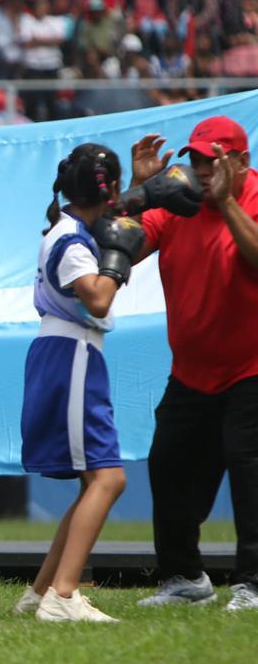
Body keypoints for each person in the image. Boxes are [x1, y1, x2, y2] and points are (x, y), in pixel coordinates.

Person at [131, 117, 258, 612]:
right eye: (197, 159)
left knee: (250, 473)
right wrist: (140, 192)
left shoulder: (246, 198)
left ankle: (252, 583)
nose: (203, 170)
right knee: (169, 466)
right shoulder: (177, 202)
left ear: (241, 162)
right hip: (191, 371)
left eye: (214, 160)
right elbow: (124, 249)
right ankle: (184, 578)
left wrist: (226, 203)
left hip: (251, 367)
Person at [14, 143, 142, 623]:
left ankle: (43, 590)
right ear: (104, 194)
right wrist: (119, 254)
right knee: (109, 478)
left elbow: (111, 241)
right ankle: (64, 597)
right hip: (71, 355)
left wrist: (138, 191)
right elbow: (99, 298)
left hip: (69, 354)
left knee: (94, 480)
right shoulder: (71, 242)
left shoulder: (72, 229)